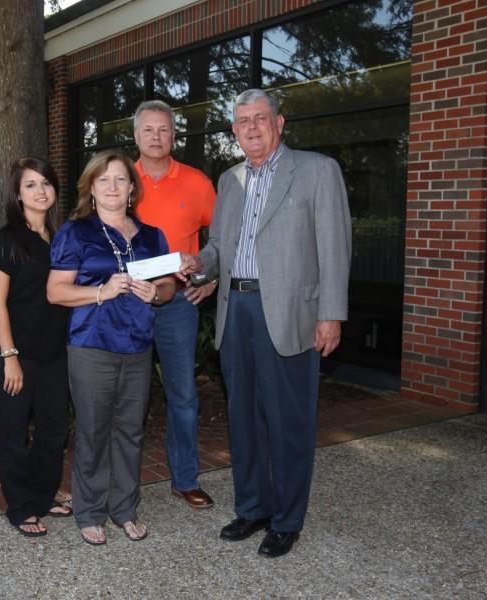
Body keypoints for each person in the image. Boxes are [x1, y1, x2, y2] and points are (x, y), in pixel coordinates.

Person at [180, 89, 351, 558]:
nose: (251, 127)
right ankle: (253, 507)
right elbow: (219, 246)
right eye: (242, 121)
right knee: (244, 419)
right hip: (237, 311)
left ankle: (287, 519)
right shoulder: (230, 180)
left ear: (279, 123)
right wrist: (199, 265)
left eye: (260, 118)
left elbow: (335, 247)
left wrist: (330, 315)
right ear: (234, 132)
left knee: (289, 420)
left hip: (292, 313)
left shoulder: (317, 170)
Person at [47, 151, 176, 546]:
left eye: (121, 179)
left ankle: (124, 508)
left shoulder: (152, 235)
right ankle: (89, 510)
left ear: (132, 188)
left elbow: (170, 286)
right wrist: (101, 291)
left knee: (130, 431)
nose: (113, 187)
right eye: (104, 180)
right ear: (91, 187)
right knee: (93, 430)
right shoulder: (76, 232)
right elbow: (55, 292)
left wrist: (157, 293)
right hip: (92, 344)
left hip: (138, 346)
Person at [132, 100, 218, 509]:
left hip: (179, 303)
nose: (156, 137)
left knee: (182, 395)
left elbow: (221, 237)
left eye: (164, 129)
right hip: (128, 301)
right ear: (136, 136)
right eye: (148, 129)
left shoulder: (198, 182)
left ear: (174, 135)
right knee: (127, 396)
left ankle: (185, 478)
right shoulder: (118, 180)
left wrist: (212, 276)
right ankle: (121, 483)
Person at [0, 157, 72, 537]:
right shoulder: (7, 239)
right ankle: (22, 506)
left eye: (46, 183)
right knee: (14, 432)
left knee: (54, 431)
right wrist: (9, 357)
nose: (41, 191)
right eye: (31, 185)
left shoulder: (63, 237)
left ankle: (43, 493)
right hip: (16, 353)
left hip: (56, 352)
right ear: (18, 196)